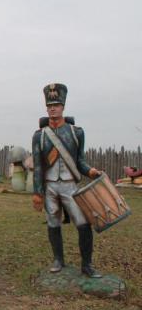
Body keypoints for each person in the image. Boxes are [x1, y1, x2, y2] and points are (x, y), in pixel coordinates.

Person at [32, 83, 101, 278]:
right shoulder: (40, 136)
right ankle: (58, 260)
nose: (53, 108)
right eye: (50, 105)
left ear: (63, 107)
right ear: (46, 108)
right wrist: (37, 192)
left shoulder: (75, 132)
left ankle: (86, 265)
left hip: (71, 185)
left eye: (57, 104)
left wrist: (92, 171)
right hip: (50, 186)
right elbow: (38, 165)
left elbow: (79, 161)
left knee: (83, 223)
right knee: (53, 222)